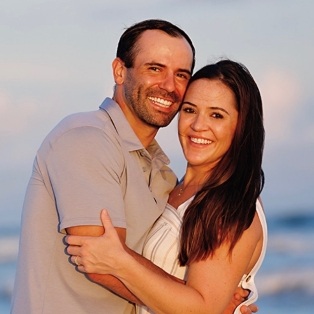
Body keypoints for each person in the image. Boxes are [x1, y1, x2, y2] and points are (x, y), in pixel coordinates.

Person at [11, 18, 256, 314]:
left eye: (181, 75)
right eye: (155, 68)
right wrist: (203, 306)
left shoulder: (164, 175)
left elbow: (153, 265)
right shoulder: (86, 138)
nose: (168, 86)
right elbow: (101, 263)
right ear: (119, 71)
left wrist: (214, 295)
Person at [66, 59, 267, 314]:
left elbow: (201, 308)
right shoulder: (172, 189)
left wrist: (119, 260)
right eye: (190, 110)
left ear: (241, 126)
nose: (197, 125)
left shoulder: (231, 205)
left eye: (216, 115)